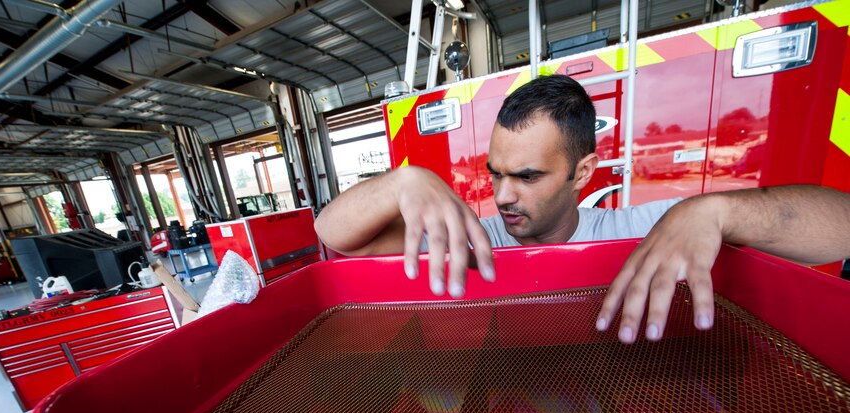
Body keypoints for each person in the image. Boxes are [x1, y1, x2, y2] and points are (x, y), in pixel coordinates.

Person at [315, 75, 850, 344]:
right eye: (496, 173)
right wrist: (402, 182)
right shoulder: (474, 243)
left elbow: (841, 229)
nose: (502, 197)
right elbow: (336, 236)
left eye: (527, 177)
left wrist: (716, 213)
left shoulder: (640, 233)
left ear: (583, 173)